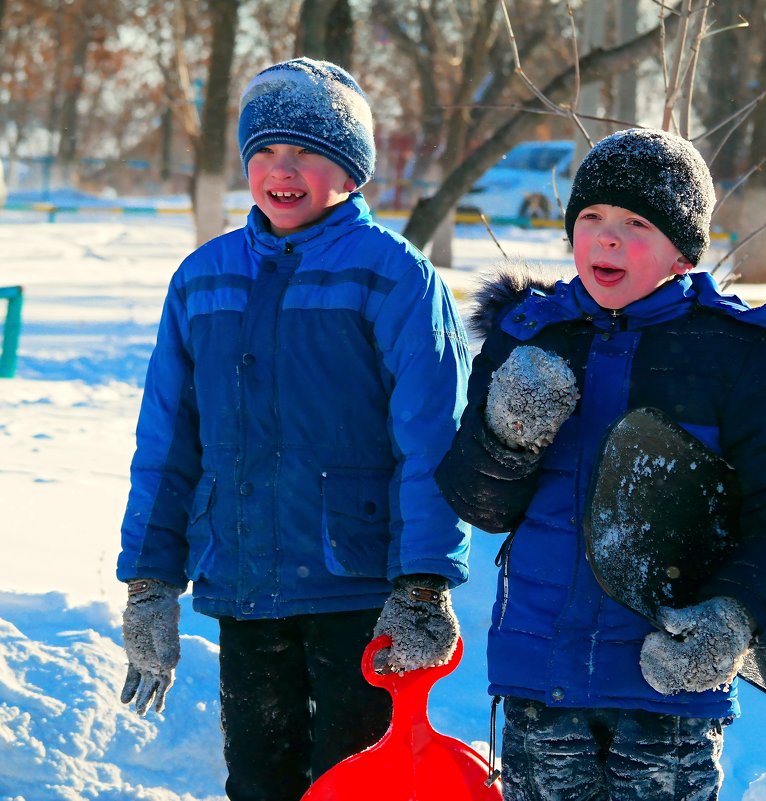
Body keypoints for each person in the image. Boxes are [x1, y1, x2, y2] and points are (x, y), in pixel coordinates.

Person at [435, 127, 766, 801]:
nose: (607, 238)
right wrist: (506, 437)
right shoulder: (529, 334)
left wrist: (733, 617)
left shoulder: (741, 354)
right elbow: (481, 506)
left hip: (670, 690)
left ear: (682, 250)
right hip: (542, 681)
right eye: (591, 218)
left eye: (635, 223)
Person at [116, 58, 472, 801]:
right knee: (258, 780)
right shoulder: (203, 279)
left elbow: (432, 440)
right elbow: (167, 443)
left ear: (350, 169)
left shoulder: (392, 277)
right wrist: (150, 581)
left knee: (354, 781)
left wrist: (422, 582)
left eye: (307, 151)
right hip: (244, 580)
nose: (283, 169)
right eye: (266, 151)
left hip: (359, 590)